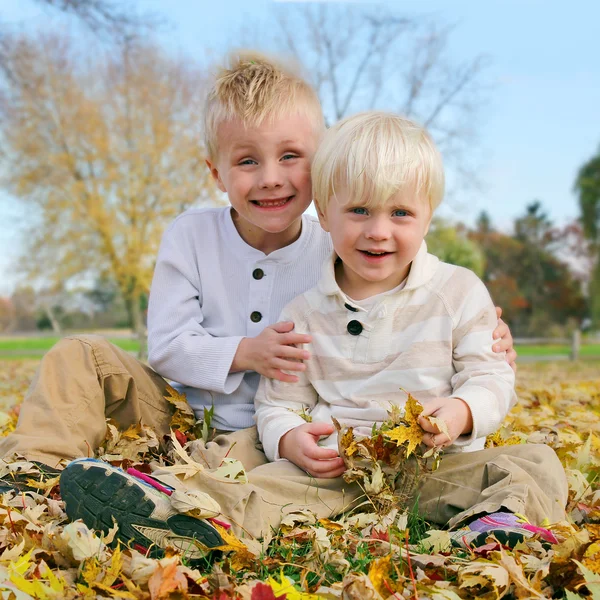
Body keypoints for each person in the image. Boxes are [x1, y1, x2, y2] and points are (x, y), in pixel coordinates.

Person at [0, 53, 516, 555]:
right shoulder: (191, 236)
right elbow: (166, 346)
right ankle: (28, 474)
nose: (271, 176)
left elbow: (412, 282)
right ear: (217, 173)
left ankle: (166, 502)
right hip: (181, 413)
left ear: (321, 170)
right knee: (80, 356)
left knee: (246, 475)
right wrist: (245, 353)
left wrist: (482, 339)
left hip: (272, 437)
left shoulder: (341, 244)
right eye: (247, 161)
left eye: (290, 157)